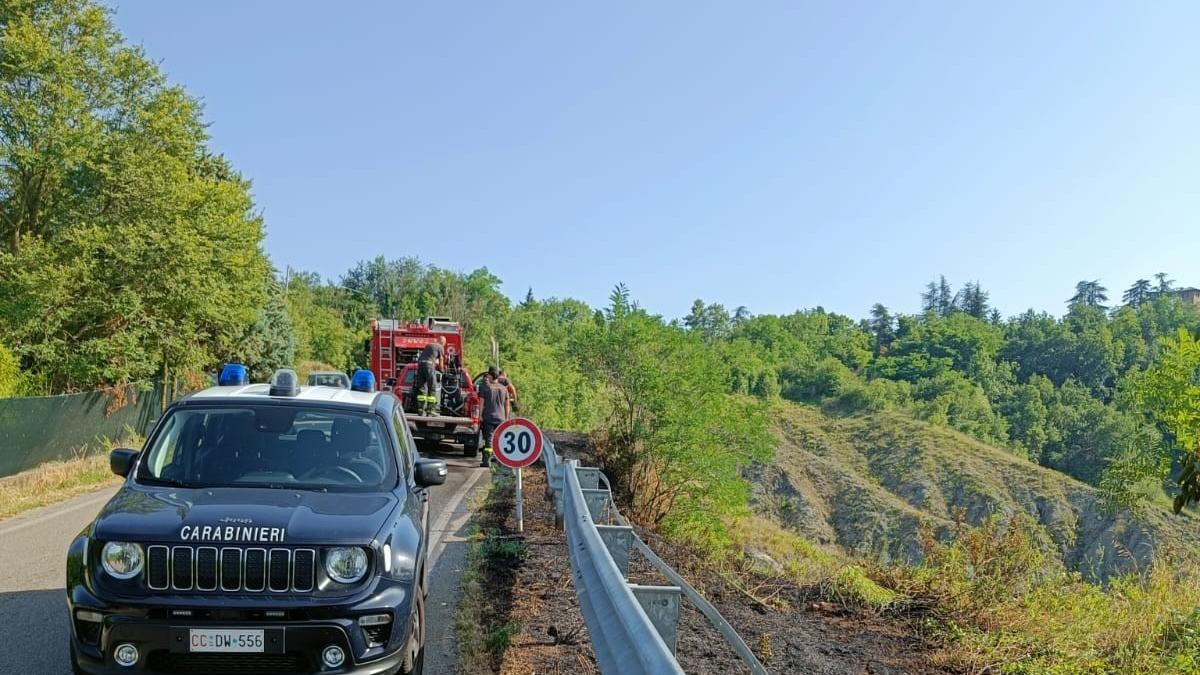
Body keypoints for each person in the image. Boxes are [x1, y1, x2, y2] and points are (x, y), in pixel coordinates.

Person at [477, 366, 509, 468]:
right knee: (499, 439)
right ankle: (499, 460)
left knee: (489, 439)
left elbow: (481, 403)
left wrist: (480, 415)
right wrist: (506, 418)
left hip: (488, 417)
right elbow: (507, 405)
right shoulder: (504, 388)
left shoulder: (486, 387)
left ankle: (486, 460)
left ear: (490, 375)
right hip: (501, 418)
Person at [411, 336, 445, 416]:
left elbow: (428, 356)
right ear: (443, 342)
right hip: (429, 366)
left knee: (422, 387)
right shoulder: (440, 347)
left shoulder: (429, 345)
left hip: (420, 365)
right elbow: (441, 360)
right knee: (432, 387)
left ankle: (420, 409)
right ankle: (430, 410)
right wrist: (442, 370)